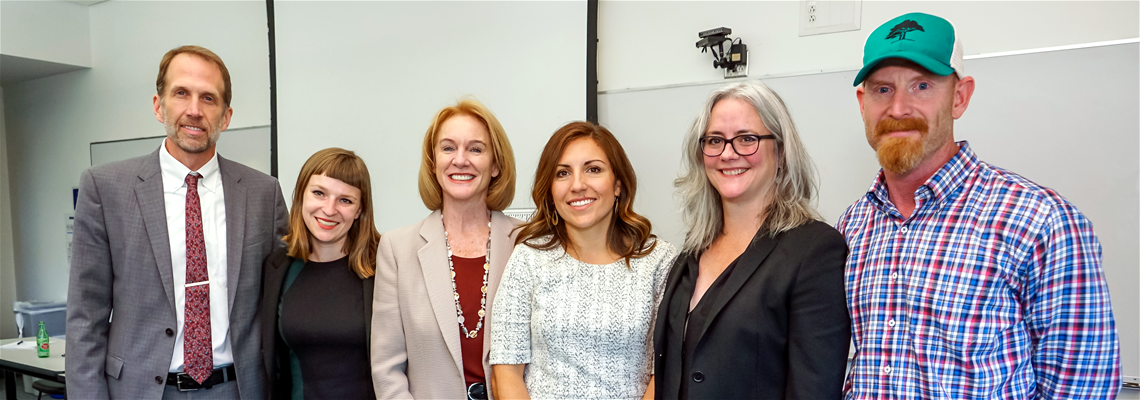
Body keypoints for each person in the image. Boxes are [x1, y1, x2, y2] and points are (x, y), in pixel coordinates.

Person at [839, 12, 1120, 399]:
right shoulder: (853, 225)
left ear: (959, 97)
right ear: (862, 102)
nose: (899, 108)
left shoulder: (1040, 221)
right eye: (882, 90)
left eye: (922, 86)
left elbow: (1081, 388)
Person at [66, 45, 288, 399]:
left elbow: (285, 300)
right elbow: (85, 318)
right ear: (159, 105)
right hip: (141, 390)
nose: (194, 110)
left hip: (237, 389)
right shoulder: (105, 188)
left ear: (226, 116)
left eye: (209, 98)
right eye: (181, 93)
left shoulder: (264, 193)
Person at [653, 80, 851, 399]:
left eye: (747, 139)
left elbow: (813, 390)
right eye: (715, 140)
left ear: (782, 151)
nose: (728, 154)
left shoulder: (815, 250)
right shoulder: (692, 251)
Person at [490, 121, 678, 400]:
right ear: (551, 191)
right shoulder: (528, 258)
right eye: (562, 173)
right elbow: (506, 371)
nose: (577, 185)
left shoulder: (659, 260)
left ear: (618, 184)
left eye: (593, 169)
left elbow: (665, 371)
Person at [370, 99, 519, 400]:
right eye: (448, 148)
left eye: (476, 149)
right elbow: (386, 370)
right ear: (433, 162)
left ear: (496, 165)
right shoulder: (397, 248)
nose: (460, 160)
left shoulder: (526, 242)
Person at [259, 148, 380, 399]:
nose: (329, 209)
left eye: (345, 200)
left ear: (360, 210)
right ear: (301, 195)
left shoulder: (383, 268)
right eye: (319, 193)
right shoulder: (277, 268)